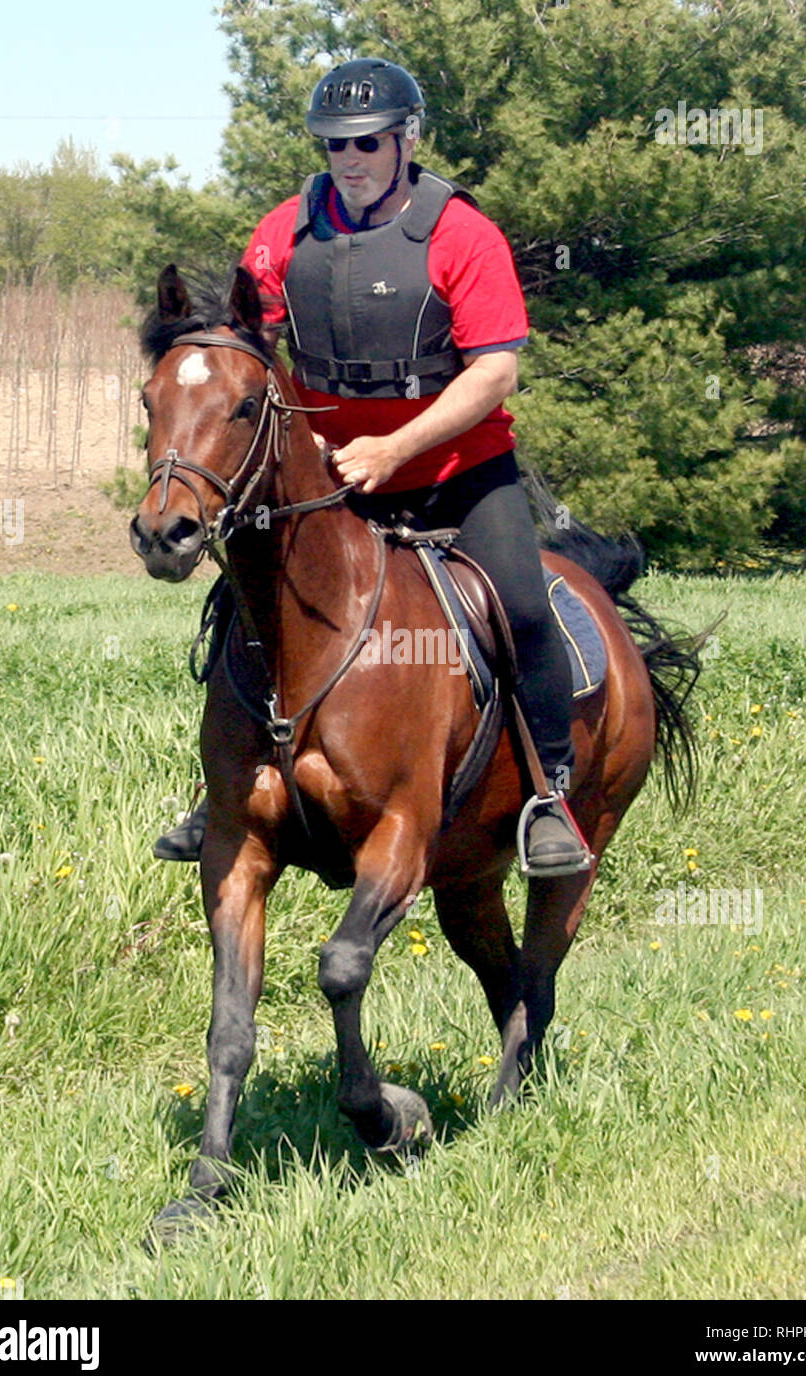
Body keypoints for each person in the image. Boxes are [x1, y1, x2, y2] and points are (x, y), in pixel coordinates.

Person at [154, 57, 587, 874]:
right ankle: (224, 789)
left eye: (367, 144)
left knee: (524, 610)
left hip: (459, 469)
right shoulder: (285, 230)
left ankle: (547, 795)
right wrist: (297, 442)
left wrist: (396, 447)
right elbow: (251, 349)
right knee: (238, 607)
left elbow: (495, 371)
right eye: (333, 146)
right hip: (333, 477)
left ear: (405, 140)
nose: (348, 161)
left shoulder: (463, 232)